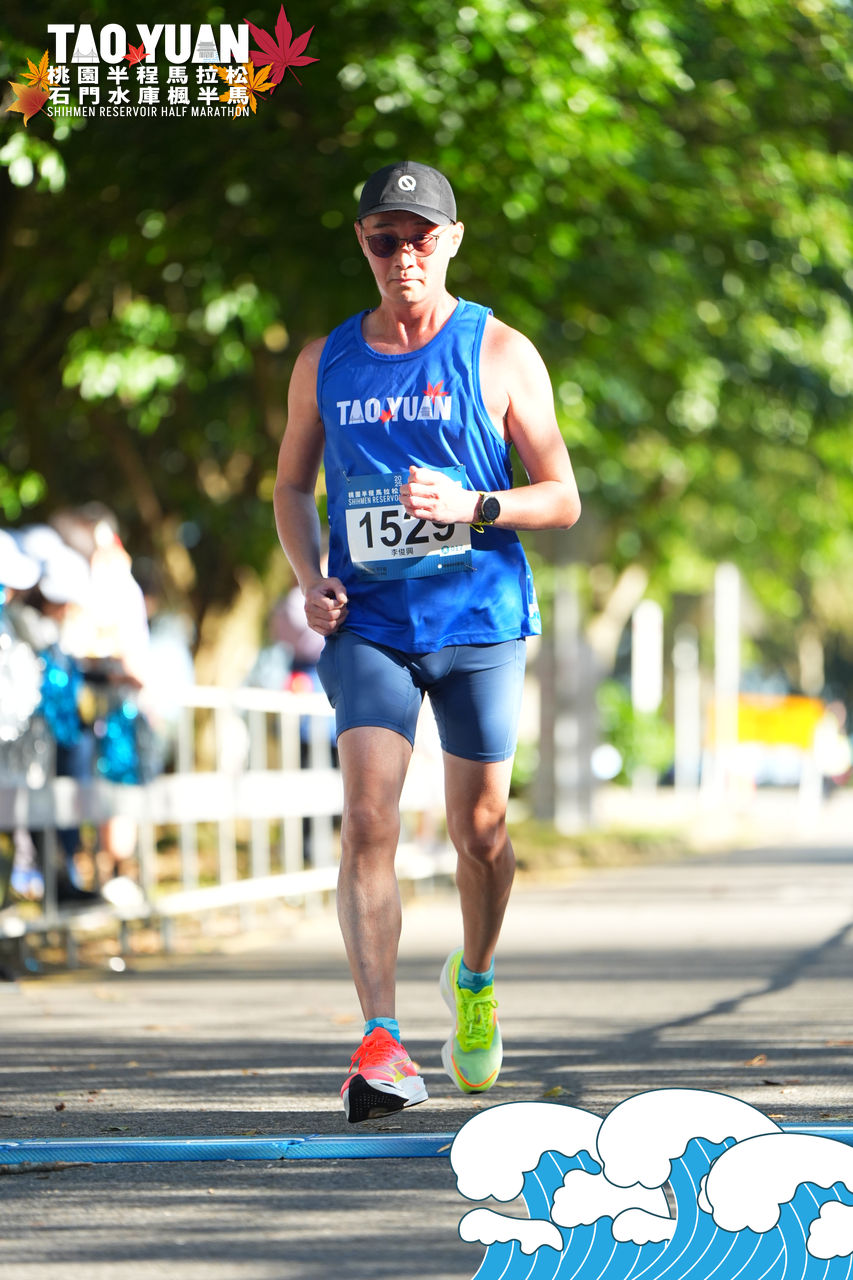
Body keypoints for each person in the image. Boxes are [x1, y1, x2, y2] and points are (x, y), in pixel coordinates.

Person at [274, 160, 581, 1123]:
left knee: (478, 832)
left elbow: (561, 496)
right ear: (362, 245)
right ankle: (380, 1043)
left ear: (450, 242)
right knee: (368, 819)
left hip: (479, 621)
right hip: (369, 624)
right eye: (384, 239)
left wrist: (474, 503)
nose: (402, 255)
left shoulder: (500, 352)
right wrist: (308, 578)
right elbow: (290, 487)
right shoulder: (325, 360)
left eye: (419, 237)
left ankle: (474, 979)